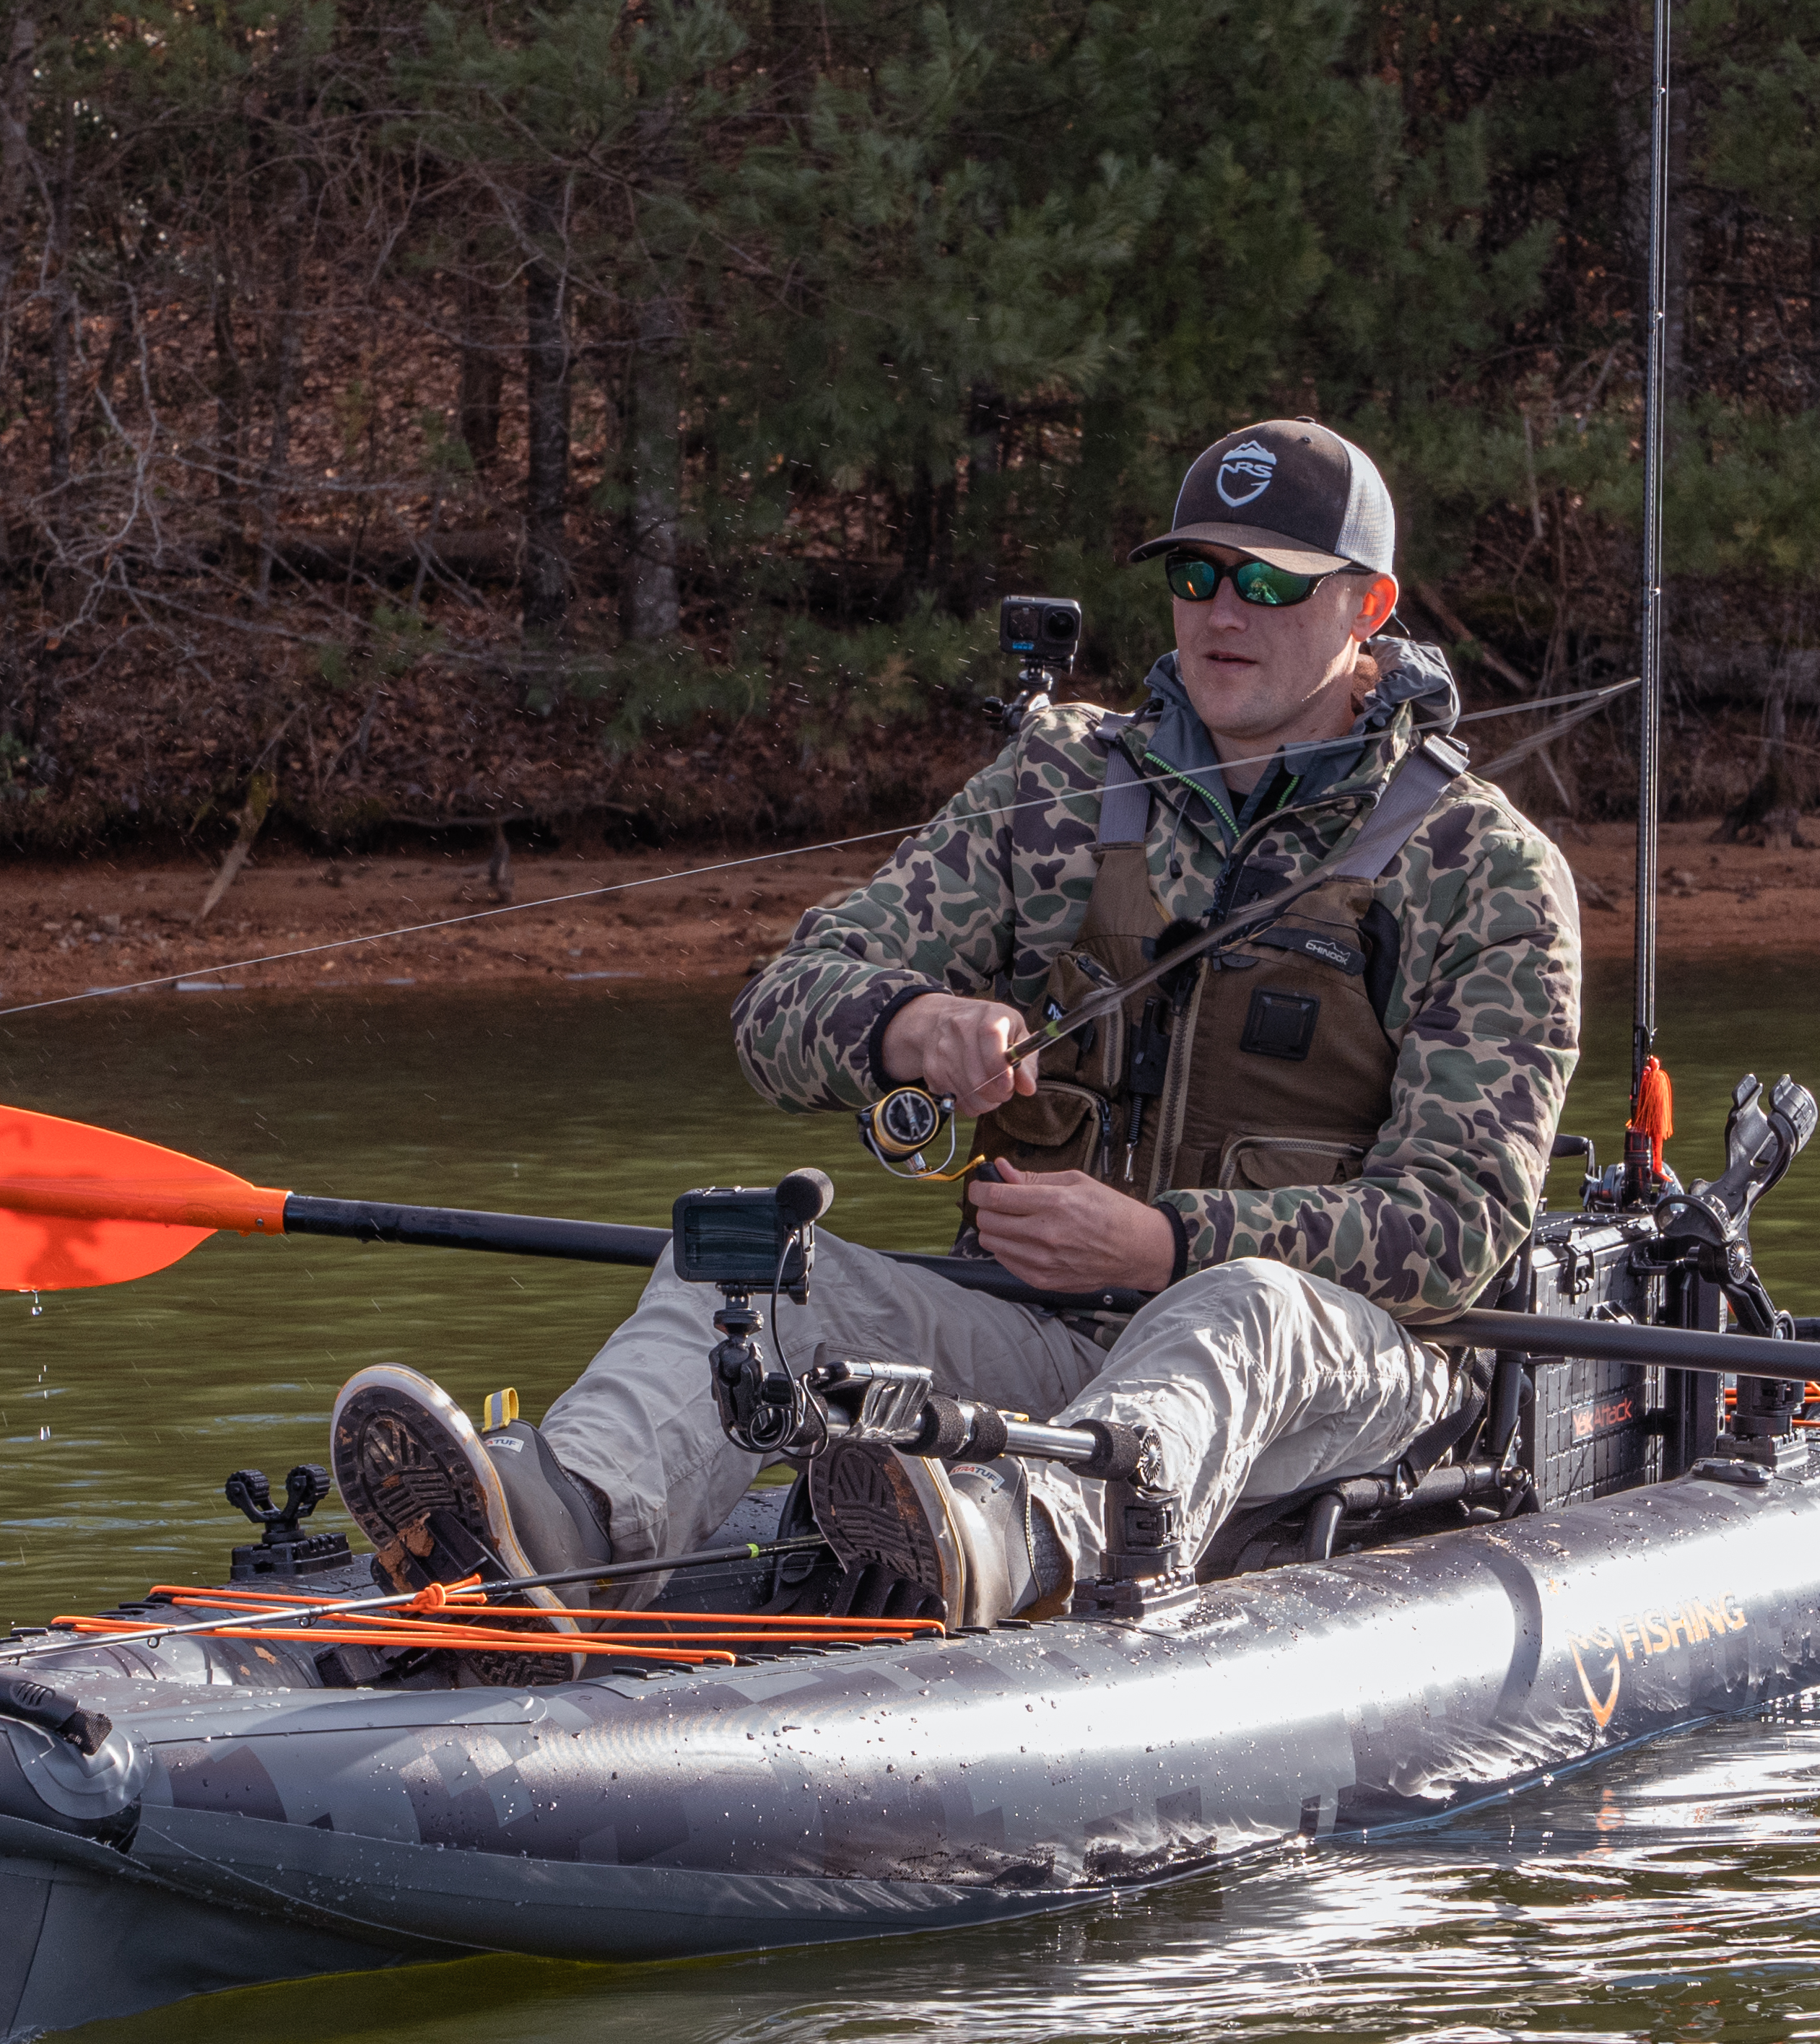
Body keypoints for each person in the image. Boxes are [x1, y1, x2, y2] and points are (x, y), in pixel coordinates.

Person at [328, 419, 1584, 1640]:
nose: (1221, 612)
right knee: (755, 1271)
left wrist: (1164, 1243)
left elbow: (1461, 1224)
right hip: (1050, 1343)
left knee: (1240, 1301)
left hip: (1355, 1385)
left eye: (1269, 582)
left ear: (1370, 607)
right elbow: (782, 1006)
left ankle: (994, 1544)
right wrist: (911, 1026)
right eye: (1195, 576)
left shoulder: (1482, 868)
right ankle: (564, 1527)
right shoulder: (1056, 785)